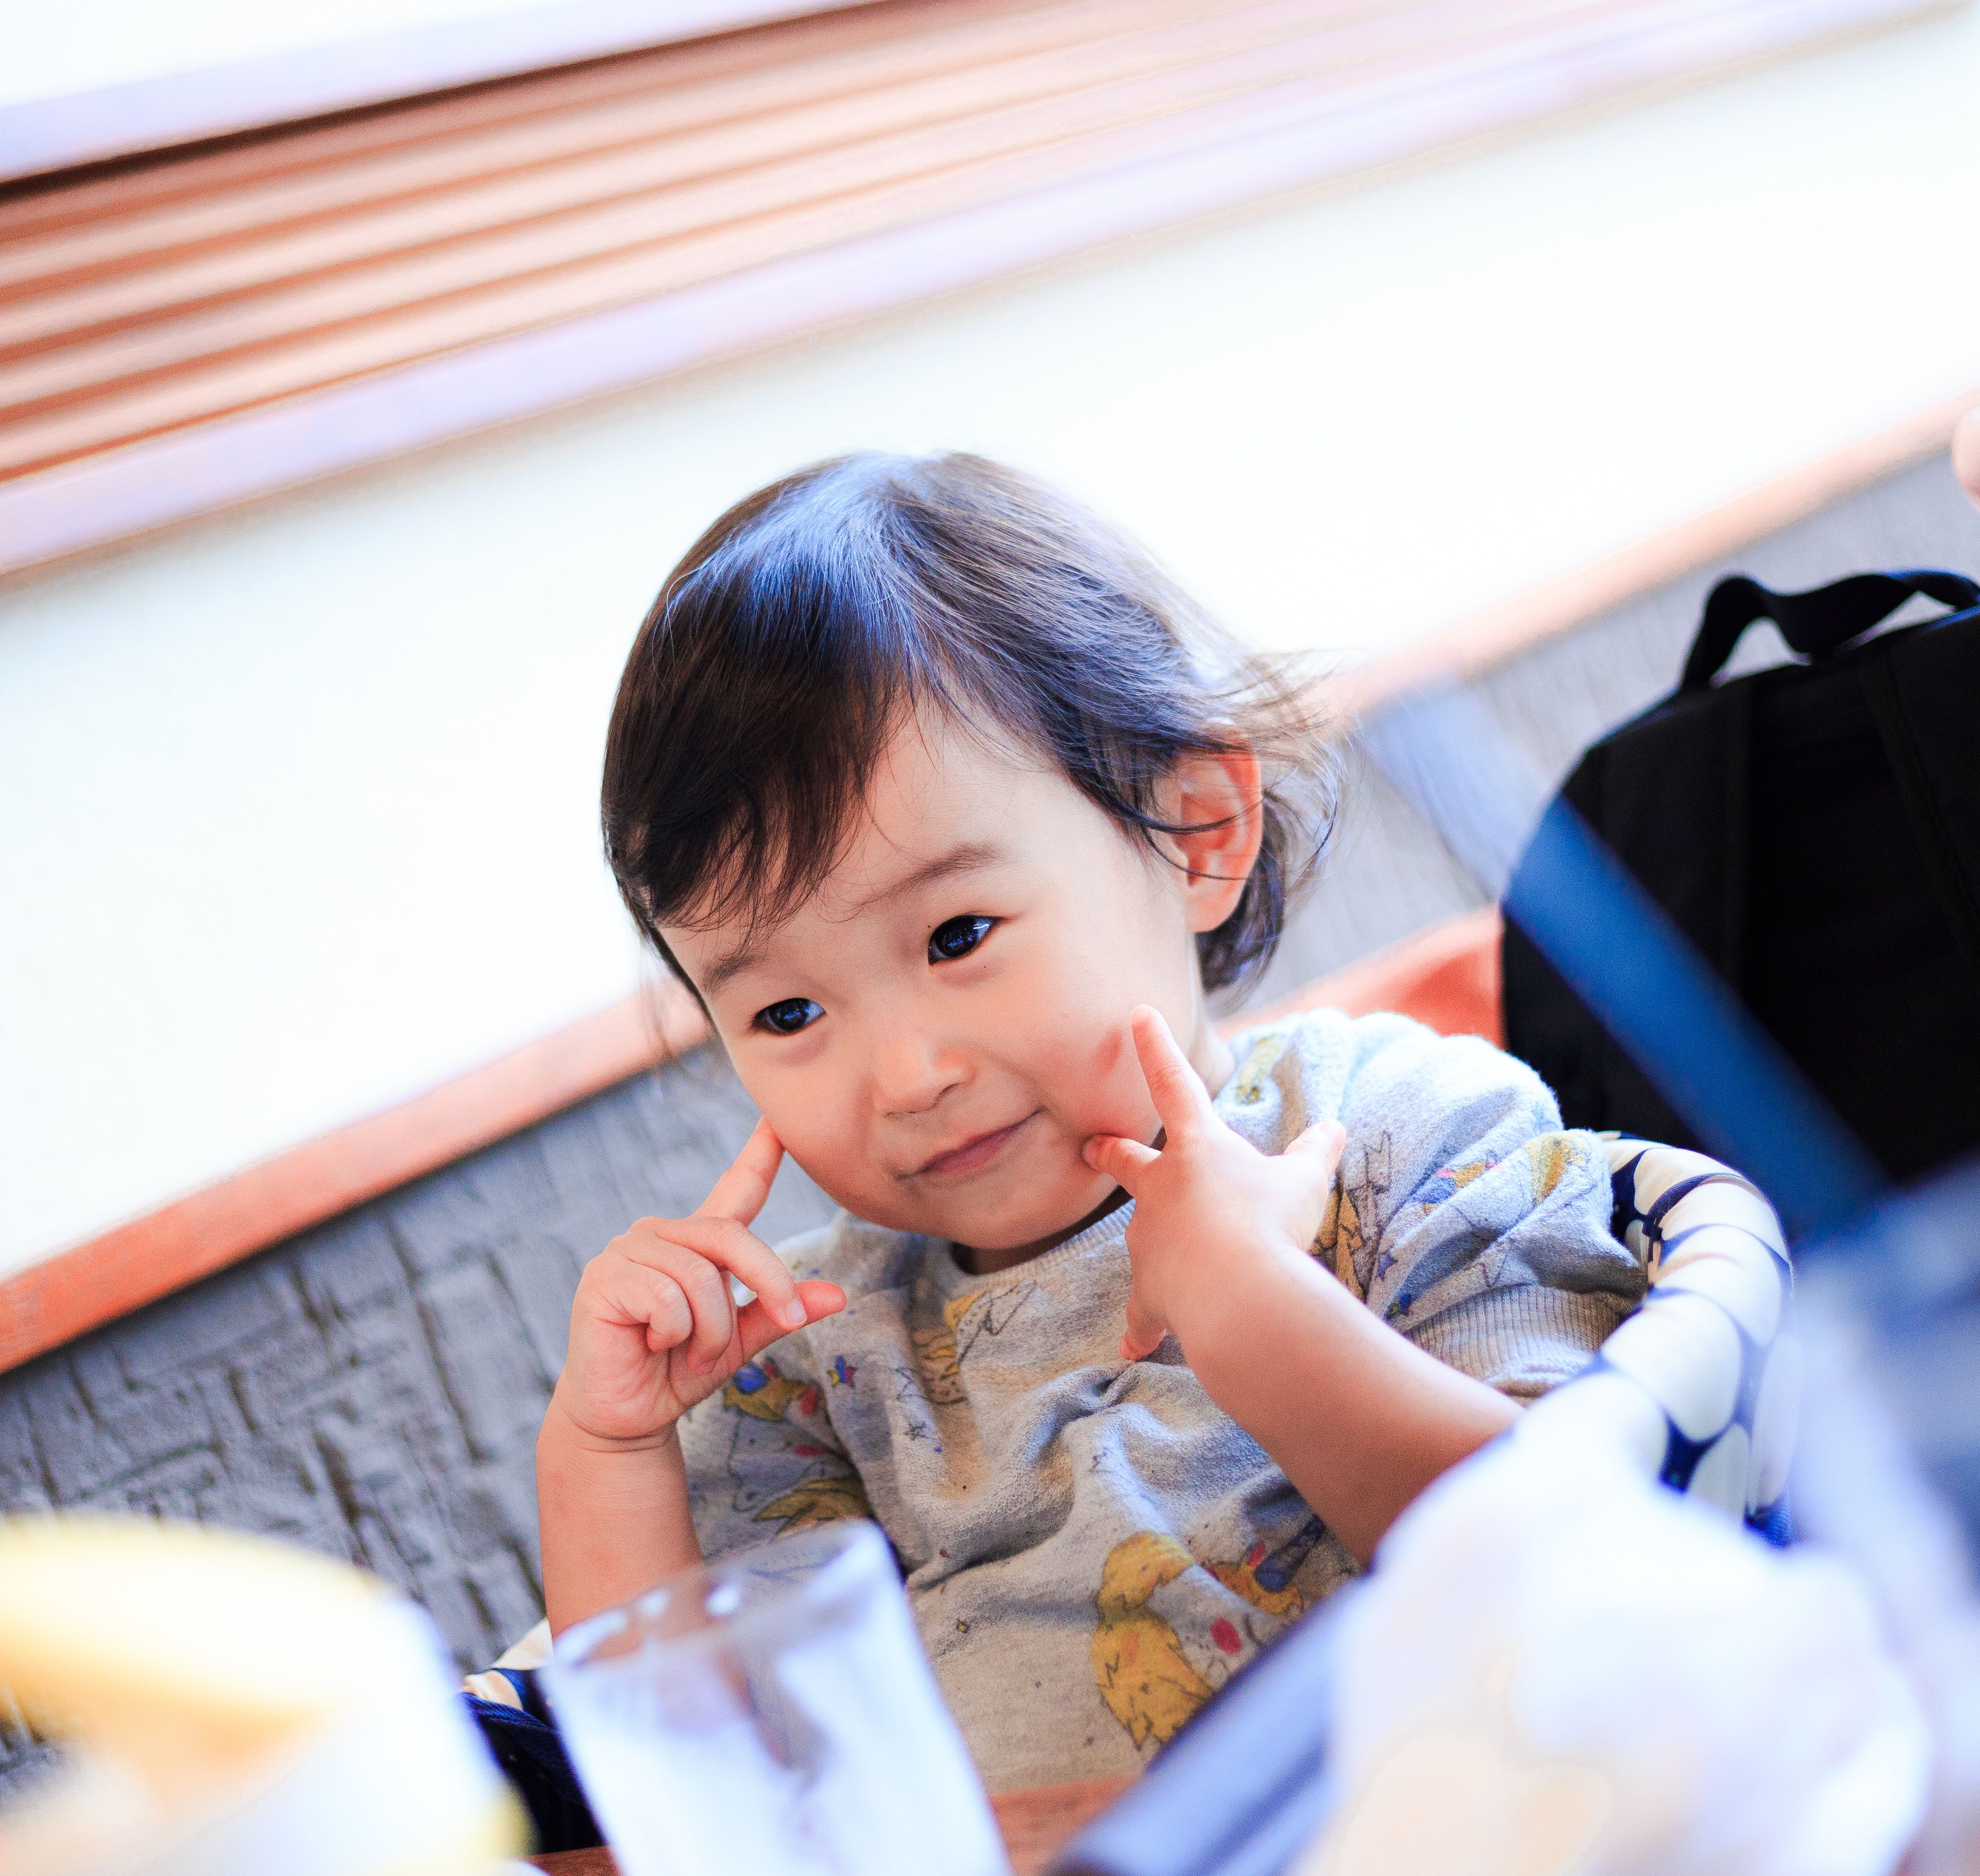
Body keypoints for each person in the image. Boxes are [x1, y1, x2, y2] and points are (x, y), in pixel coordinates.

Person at [530, 452, 1652, 1797]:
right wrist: (607, 1450)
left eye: (957, 934)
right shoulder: (827, 1346)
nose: (905, 1075)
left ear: (1196, 832)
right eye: (784, 1014)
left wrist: (1249, 1307)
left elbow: (1585, 1562)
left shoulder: (1393, 1132)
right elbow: (693, 1769)